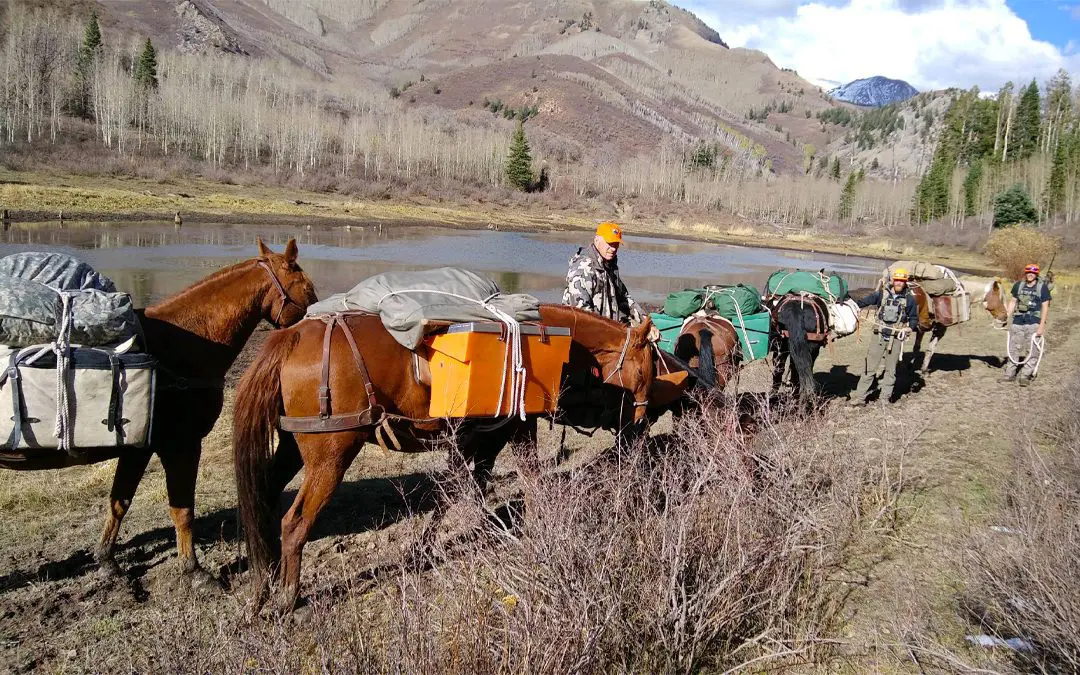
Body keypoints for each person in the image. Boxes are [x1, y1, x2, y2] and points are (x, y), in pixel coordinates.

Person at [849, 268, 920, 406]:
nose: (899, 283)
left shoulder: (910, 300)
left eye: (902, 281)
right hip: (878, 336)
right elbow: (862, 302)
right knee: (869, 368)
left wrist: (909, 328)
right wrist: (848, 304)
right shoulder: (880, 294)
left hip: (896, 338)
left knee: (891, 370)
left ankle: (884, 399)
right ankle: (860, 397)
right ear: (893, 280)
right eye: (897, 280)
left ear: (905, 283)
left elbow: (914, 318)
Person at [564, 222, 650, 330]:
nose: (613, 248)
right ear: (596, 240)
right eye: (609, 243)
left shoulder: (610, 267)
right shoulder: (583, 268)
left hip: (606, 331)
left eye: (616, 244)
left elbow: (624, 299)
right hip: (583, 333)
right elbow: (581, 313)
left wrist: (647, 324)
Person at [1002, 263, 1051, 386]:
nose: (1030, 274)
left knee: (1032, 350)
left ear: (1036, 274)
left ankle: (1025, 376)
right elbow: (1013, 302)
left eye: (1033, 273)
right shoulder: (1018, 285)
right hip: (1018, 321)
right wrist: (1006, 317)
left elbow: (1045, 307)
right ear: (1025, 273)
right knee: (1013, 349)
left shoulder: (1042, 288)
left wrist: (1041, 326)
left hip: (1033, 322)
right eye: (1028, 272)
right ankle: (1009, 375)